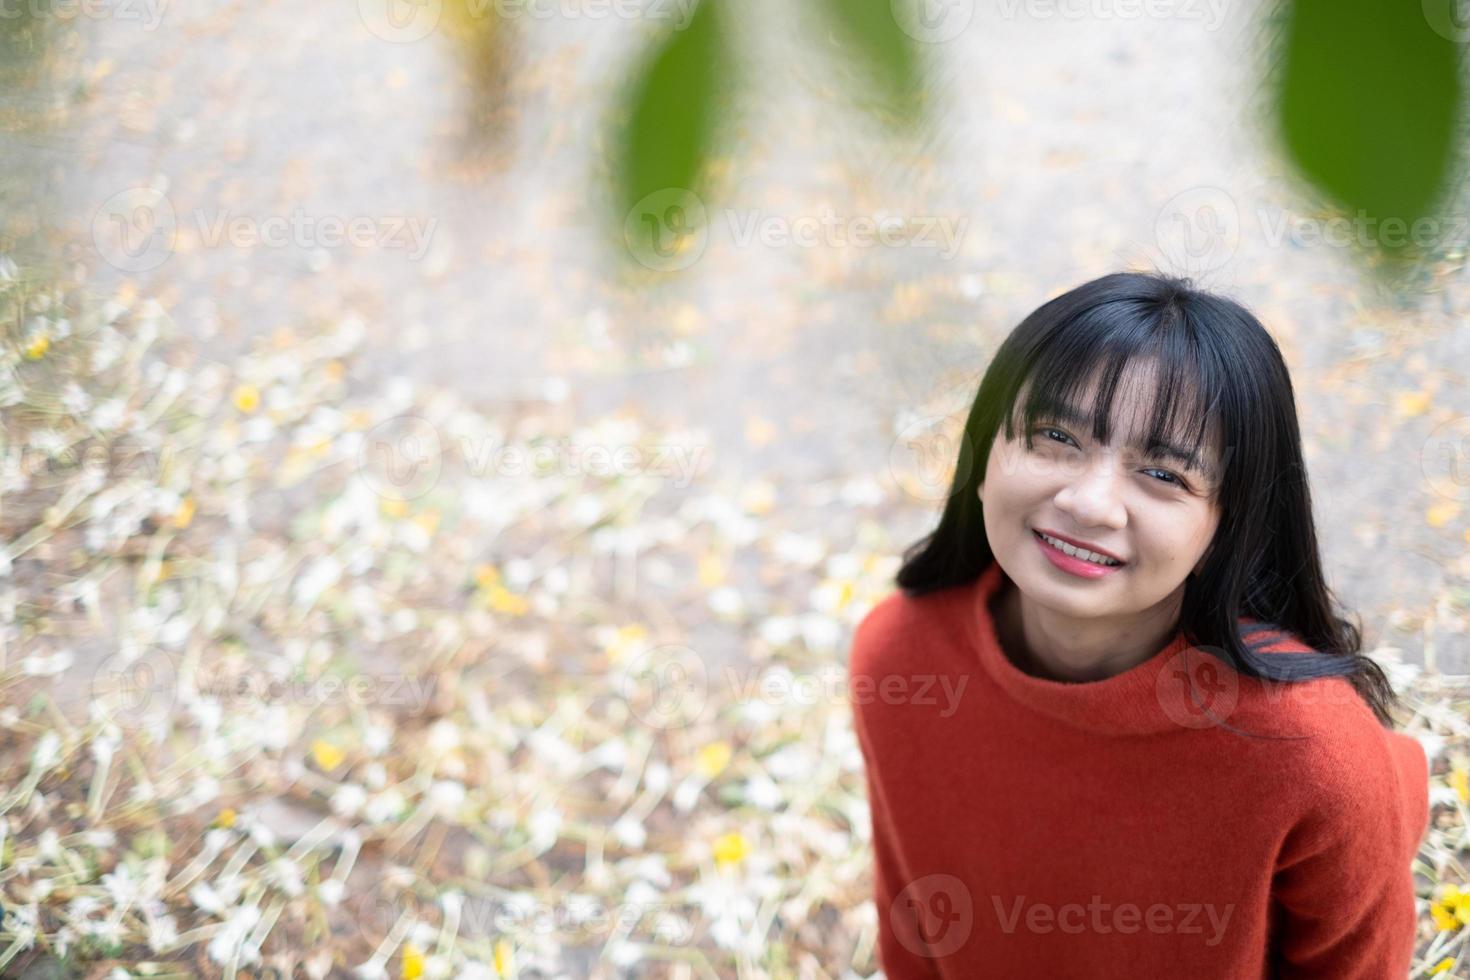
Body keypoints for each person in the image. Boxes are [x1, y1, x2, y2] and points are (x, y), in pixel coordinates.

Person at [848, 270, 1431, 978]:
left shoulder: (1313, 757)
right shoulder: (899, 659)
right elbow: (911, 926)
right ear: (983, 456)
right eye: (1055, 434)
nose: (1091, 503)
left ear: (1227, 526)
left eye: (1163, 474)